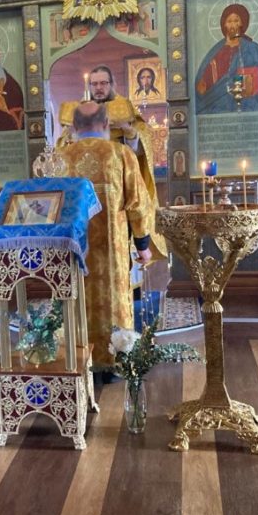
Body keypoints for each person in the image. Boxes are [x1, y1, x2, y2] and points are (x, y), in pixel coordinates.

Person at [57, 101, 152, 372]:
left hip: (72, 252)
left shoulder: (60, 158)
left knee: (76, 301)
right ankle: (114, 361)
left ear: (74, 127)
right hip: (112, 253)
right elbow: (137, 204)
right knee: (113, 302)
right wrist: (143, 244)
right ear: (106, 124)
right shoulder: (120, 154)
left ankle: (78, 360)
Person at [58, 64, 166, 259]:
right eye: (94, 84)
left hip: (116, 189)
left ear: (112, 84)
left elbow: (141, 151)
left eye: (103, 83)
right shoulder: (79, 112)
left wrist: (129, 131)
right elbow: (60, 152)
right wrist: (71, 136)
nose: (99, 88)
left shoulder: (125, 109)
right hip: (82, 192)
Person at [195, 3, 258, 114]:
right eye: (229, 21)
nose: (233, 25)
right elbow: (201, 85)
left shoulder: (254, 50)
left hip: (247, 110)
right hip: (216, 109)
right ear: (224, 24)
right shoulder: (215, 51)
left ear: (242, 23)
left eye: (236, 21)